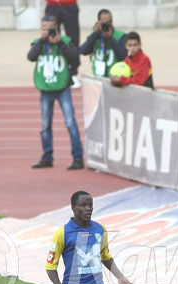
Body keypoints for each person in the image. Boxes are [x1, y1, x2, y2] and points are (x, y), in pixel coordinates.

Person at [28, 15, 84, 170]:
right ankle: (47, 156)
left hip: (63, 88)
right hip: (46, 89)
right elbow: (31, 57)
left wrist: (59, 42)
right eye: (44, 28)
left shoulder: (65, 41)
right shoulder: (38, 43)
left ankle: (78, 158)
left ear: (57, 27)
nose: (48, 31)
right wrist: (42, 40)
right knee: (46, 125)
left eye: (50, 27)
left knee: (70, 123)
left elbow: (74, 56)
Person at [79, 9, 126, 78]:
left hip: (116, 78)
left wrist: (111, 39)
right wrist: (95, 33)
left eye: (110, 22)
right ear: (98, 22)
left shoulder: (120, 36)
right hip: (99, 77)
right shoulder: (95, 36)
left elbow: (124, 55)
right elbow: (83, 51)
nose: (108, 25)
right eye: (105, 22)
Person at [45, 0, 81, 88]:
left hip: (69, 4)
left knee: (73, 39)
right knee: (50, 36)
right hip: (52, 5)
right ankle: (54, 69)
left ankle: (73, 73)